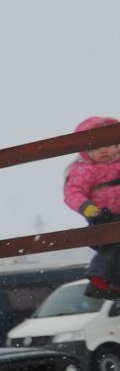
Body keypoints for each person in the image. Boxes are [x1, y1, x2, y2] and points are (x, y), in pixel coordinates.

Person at [65, 116, 120, 299]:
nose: (104, 150)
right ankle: (100, 277)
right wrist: (86, 207)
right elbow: (73, 191)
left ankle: (114, 282)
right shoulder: (84, 169)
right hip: (102, 215)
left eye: (109, 144)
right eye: (96, 147)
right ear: (87, 151)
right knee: (111, 244)